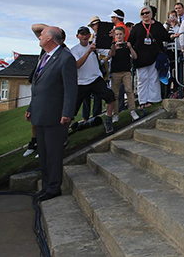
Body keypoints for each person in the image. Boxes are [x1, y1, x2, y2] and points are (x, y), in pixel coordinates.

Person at [25, 25, 77, 202]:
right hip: (40, 112)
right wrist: (31, 107)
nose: (39, 36)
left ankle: (54, 187)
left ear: (49, 39)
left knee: (53, 154)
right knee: (44, 153)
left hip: (55, 115)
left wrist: (67, 112)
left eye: (42, 34)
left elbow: (70, 89)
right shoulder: (44, 57)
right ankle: (46, 185)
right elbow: (38, 86)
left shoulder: (65, 58)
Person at [70, 27, 117, 134]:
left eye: (86, 34)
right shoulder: (75, 50)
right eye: (82, 34)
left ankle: (108, 120)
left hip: (96, 79)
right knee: (72, 109)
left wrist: (113, 41)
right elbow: (77, 65)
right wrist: (88, 51)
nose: (85, 36)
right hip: (81, 82)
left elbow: (111, 53)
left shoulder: (95, 46)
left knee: (110, 96)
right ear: (77, 36)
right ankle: (63, 132)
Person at [129, 6, 171, 107]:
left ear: (151, 13)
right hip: (140, 57)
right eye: (143, 14)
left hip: (155, 55)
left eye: (147, 13)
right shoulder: (137, 27)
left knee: (153, 78)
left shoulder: (157, 26)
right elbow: (130, 41)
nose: (145, 15)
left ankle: (153, 99)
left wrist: (173, 36)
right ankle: (142, 100)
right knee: (142, 79)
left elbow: (166, 36)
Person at [105, 26, 140, 121]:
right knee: (115, 94)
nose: (119, 36)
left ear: (124, 35)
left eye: (120, 34)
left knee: (129, 90)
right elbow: (110, 55)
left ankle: (132, 110)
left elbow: (135, 57)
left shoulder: (127, 45)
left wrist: (130, 47)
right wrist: (114, 46)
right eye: (117, 34)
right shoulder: (113, 45)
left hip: (126, 72)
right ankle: (115, 113)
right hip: (115, 72)